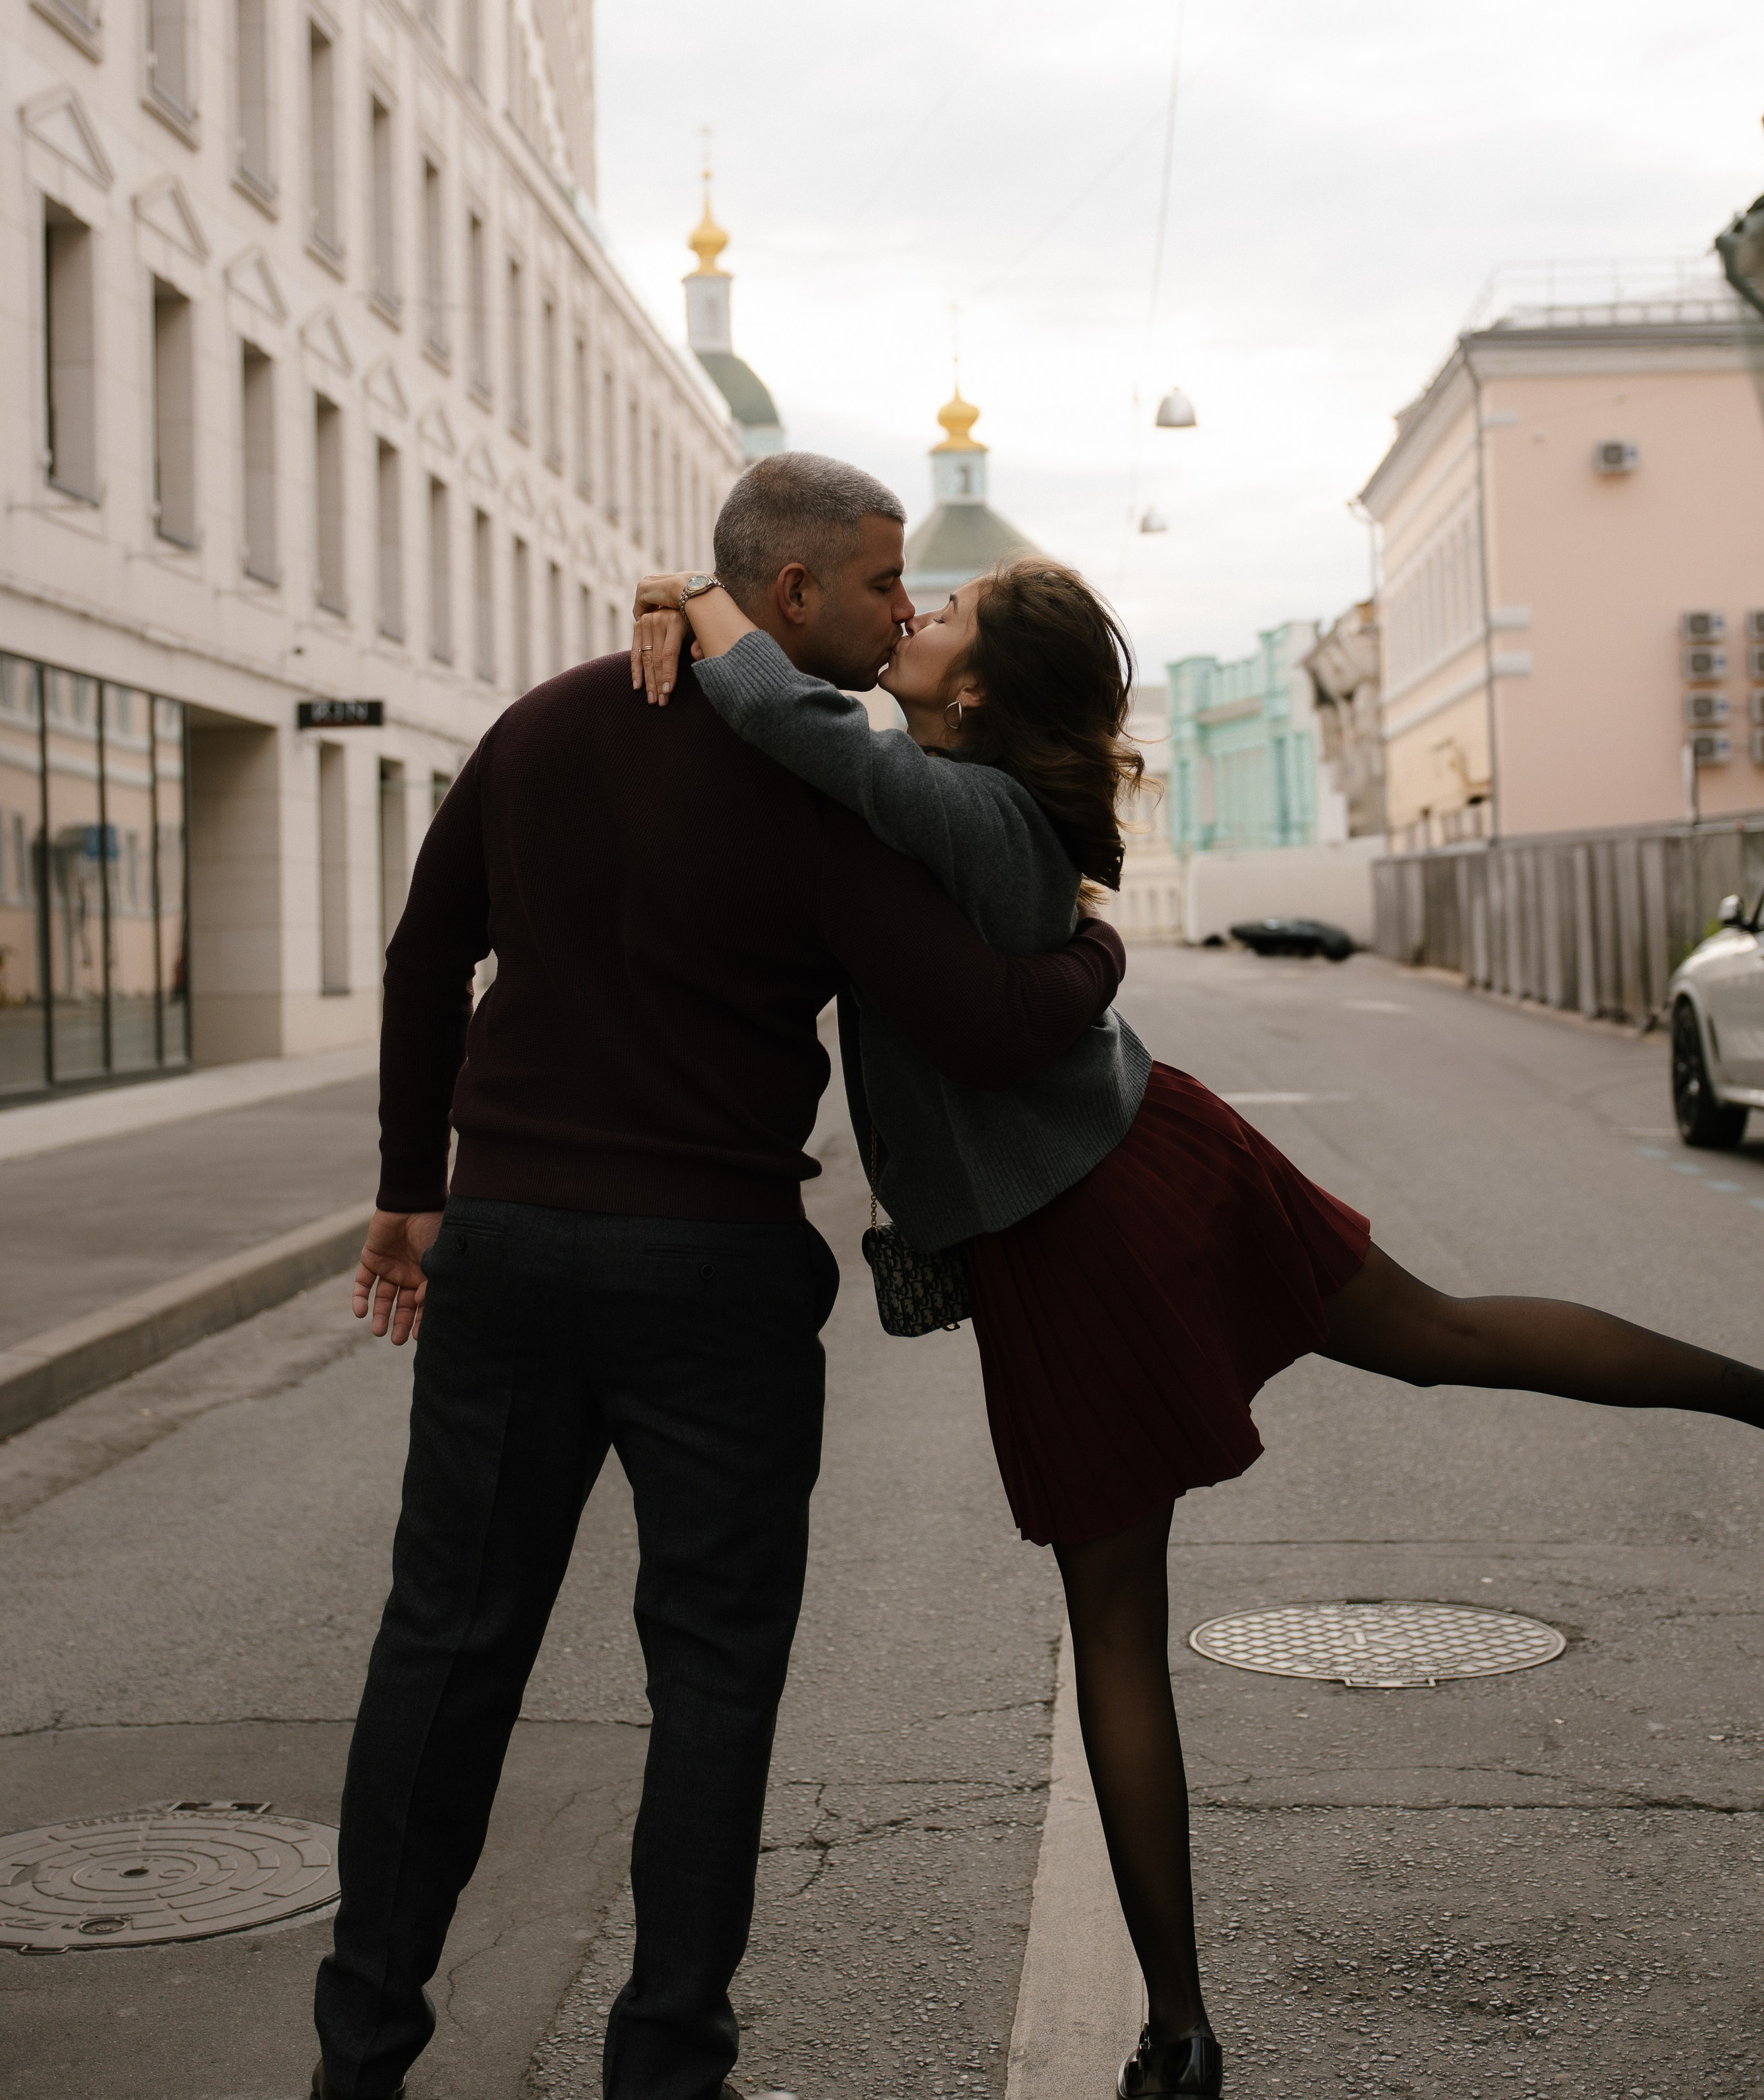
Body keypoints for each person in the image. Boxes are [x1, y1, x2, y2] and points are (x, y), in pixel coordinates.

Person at [631, 551, 1764, 2100]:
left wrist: (689, 591)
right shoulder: (969, 798)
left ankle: (1176, 2030)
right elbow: (787, 724)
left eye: (941, 614)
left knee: (1117, 1631)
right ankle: (1757, 1396)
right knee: (1442, 1335)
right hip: (1153, 1151)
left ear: (973, 690)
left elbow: (772, 704)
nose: (912, 617)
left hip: (1077, 1229)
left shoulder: (951, 803)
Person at [309, 457, 1129, 2100]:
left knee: (444, 1646)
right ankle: (666, 2061)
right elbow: (977, 1021)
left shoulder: (540, 723)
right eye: (886, 583)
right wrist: (1098, 948)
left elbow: (421, 954)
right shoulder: (818, 792)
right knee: (710, 1669)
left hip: (515, 1247)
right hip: (714, 1273)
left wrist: (413, 1185)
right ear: (792, 594)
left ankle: (362, 2054)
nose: (908, 610)